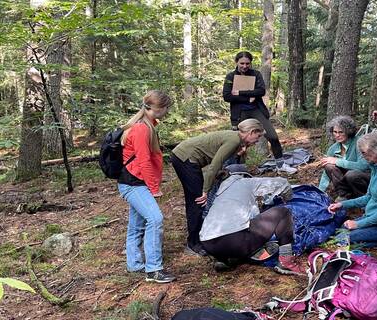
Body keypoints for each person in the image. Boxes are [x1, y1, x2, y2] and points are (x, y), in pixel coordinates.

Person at [171, 118, 265, 256]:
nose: (257, 140)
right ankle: (193, 243)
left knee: (197, 201)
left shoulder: (236, 140)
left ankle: (199, 237)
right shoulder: (234, 140)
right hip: (185, 158)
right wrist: (205, 191)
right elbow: (214, 166)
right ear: (251, 132)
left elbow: (221, 164)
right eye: (258, 136)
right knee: (198, 202)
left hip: (185, 157)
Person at [117, 90, 176, 284]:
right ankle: (154, 270)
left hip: (134, 182)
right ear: (158, 108)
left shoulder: (148, 125)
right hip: (134, 183)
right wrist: (154, 187)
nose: (167, 111)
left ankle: (134, 264)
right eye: (166, 107)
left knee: (137, 224)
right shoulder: (142, 128)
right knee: (155, 219)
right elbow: (143, 161)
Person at [328, 131, 377, 248]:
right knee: (341, 232)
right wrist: (342, 204)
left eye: (364, 152)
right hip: (375, 218)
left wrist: (357, 224)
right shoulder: (376, 168)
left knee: (344, 239)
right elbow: (369, 197)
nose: (362, 155)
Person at [222, 51, 297, 174]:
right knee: (238, 142)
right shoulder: (231, 77)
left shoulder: (255, 74)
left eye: (247, 63)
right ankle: (237, 171)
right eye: (242, 63)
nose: (245, 66)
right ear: (236, 62)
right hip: (239, 113)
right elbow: (227, 96)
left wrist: (240, 92)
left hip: (256, 110)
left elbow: (261, 91)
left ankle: (281, 164)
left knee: (272, 136)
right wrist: (248, 96)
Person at [318, 116, 370, 201]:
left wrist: (338, 161)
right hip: (348, 180)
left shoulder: (359, 143)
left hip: (364, 178)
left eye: (341, 132)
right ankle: (344, 194)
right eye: (335, 132)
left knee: (351, 174)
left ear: (348, 132)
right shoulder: (333, 148)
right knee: (328, 166)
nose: (337, 135)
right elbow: (326, 174)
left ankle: (363, 198)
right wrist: (320, 191)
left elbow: (364, 166)